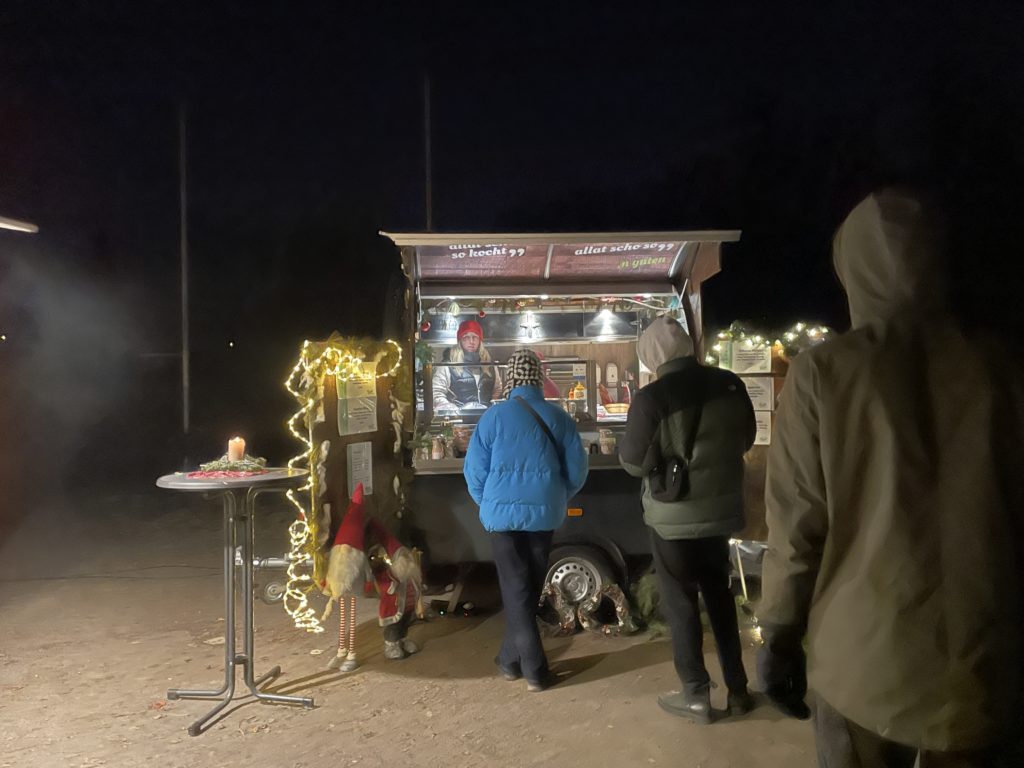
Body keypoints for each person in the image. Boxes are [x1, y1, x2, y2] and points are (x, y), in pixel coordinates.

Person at [759, 188, 1024, 766]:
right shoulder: (1003, 366)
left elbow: (798, 524)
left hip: (863, 664)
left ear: (851, 269)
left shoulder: (823, 374)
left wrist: (779, 633)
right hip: (987, 659)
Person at [619, 316, 756, 724]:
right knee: (720, 595)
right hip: (720, 514)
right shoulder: (731, 383)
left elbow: (631, 461)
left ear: (651, 356)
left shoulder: (651, 398)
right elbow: (746, 438)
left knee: (680, 602)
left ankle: (695, 694)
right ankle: (739, 690)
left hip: (671, 519)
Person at [464, 349, 588, 691]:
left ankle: (531, 668)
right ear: (538, 379)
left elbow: (474, 471)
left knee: (519, 589)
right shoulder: (559, 418)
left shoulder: (492, 418)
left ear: (511, 379)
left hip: (501, 519)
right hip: (543, 515)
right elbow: (577, 471)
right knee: (527, 588)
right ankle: (512, 660)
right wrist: (557, 496)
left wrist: (488, 502)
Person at [432, 319, 501, 411]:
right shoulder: (448, 365)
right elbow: (436, 392)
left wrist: (493, 409)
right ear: (460, 340)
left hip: (487, 418)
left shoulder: (489, 364)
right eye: (466, 337)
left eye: (475, 337)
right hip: (459, 421)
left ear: (480, 341)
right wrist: (452, 410)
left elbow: (497, 390)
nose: (471, 341)